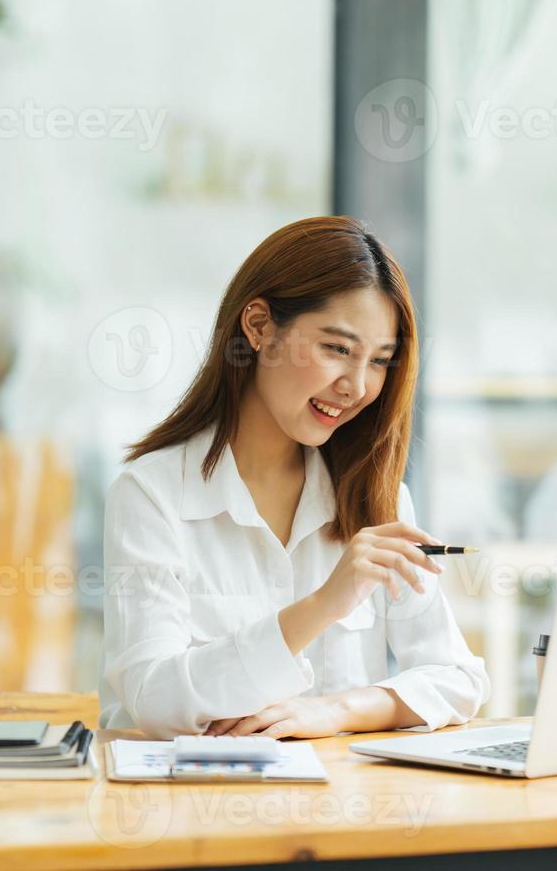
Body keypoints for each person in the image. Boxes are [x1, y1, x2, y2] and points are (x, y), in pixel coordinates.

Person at [99, 215, 489, 739]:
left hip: (338, 810)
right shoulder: (152, 496)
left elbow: (459, 678)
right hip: (187, 809)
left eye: (379, 361)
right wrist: (326, 603)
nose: (356, 386)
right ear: (258, 327)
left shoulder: (377, 499)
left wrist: (337, 711)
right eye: (337, 349)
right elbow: (155, 700)